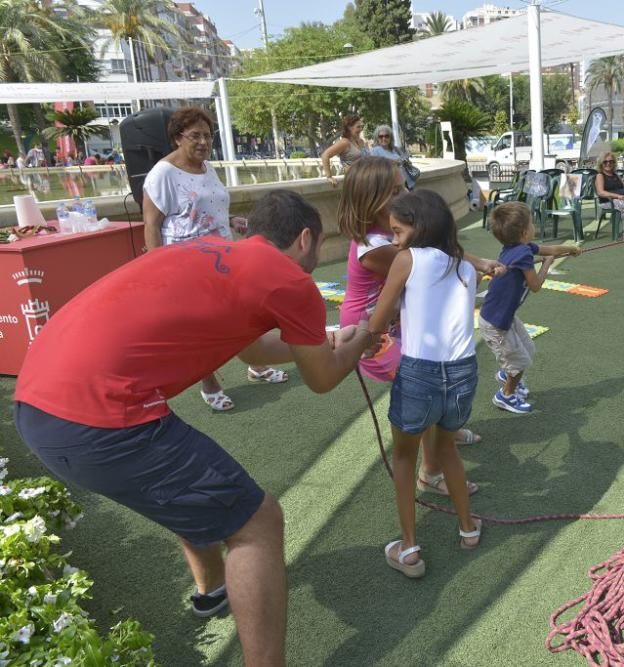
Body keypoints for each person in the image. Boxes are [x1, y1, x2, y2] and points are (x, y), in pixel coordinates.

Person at [14, 189, 371, 666]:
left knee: (192, 480)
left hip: (35, 402)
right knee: (257, 522)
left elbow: (256, 350)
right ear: (305, 237)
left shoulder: (208, 249)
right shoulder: (289, 280)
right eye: (319, 243)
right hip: (100, 422)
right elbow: (323, 378)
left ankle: (212, 591)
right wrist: (360, 340)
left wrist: (328, 340)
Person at [337, 156, 501, 489]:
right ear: (372, 199)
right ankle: (431, 471)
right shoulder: (374, 246)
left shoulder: (391, 233)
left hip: (398, 322)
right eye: (396, 190)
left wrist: (477, 266)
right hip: (373, 334)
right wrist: (479, 263)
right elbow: (431, 259)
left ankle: (444, 432)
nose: (404, 195)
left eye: (404, 187)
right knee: (424, 386)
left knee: (431, 379)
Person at [363, 189, 481, 578]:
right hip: (463, 370)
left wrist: (361, 337)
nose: (394, 239)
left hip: (420, 372)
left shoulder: (407, 259)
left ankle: (409, 547)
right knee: (447, 448)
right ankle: (468, 529)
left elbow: (378, 323)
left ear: (418, 226)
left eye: (398, 231)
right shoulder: (465, 265)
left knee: (403, 457)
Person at [143, 106, 287, 412]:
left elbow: (207, 204)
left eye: (208, 135)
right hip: (186, 264)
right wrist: (157, 272)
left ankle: (257, 366)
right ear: (177, 138)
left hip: (224, 257)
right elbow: (152, 224)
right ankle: (209, 384)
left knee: (245, 314)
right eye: (195, 135)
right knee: (203, 327)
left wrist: (231, 218)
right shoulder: (163, 174)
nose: (203, 142)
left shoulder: (208, 168)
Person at [480, 202, 581, 414]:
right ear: (525, 232)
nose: (534, 227)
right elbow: (535, 286)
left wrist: (569, 250)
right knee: (519, 361)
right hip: (495, 323)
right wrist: (546, 264)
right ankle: (505, 395)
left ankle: (508, 375)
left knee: (527, 348)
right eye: (532, 223)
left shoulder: (520, 247)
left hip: (503, 317)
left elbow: (550, 249)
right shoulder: (523, 254)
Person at [368, 124, 417, 190]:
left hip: (407, 182)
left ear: (390, 137)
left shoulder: (395, 149)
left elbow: (405, 160)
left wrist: (405, 162)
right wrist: (393, 163)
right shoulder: (375, 151)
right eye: (381, 136)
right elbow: (375, 168)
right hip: (392, 186)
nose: (384, 138)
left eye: (386, 136)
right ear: (377, 138)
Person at [321, 114, 367, 181]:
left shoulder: (361, 141)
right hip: (353, 181)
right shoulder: (344, 142)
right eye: (358, 127)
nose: (361, 129)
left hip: (365, 180)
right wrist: (329, 177)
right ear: (349, 127)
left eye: (361, 127)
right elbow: (325, 155)